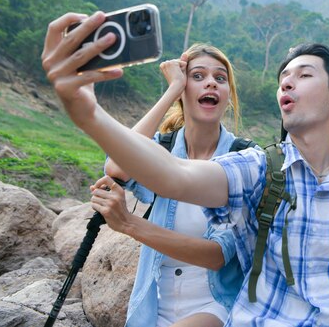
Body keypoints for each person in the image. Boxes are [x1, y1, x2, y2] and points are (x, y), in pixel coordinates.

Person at [42, 21, 329, 325]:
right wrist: (87, 112)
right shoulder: (257, 168)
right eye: (282, 79)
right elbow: (175, 176)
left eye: (303, 75)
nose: (287, 84)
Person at [90, 43, 246, 327]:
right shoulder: (165, 147)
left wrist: (129, 223)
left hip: (216, 303)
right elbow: (116, 167)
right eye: (197, 76)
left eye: (220, 78)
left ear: (227, 97)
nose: (211, 82)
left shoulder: (243, 159)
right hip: (153, 302)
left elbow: (218, 255)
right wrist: (172, 90)